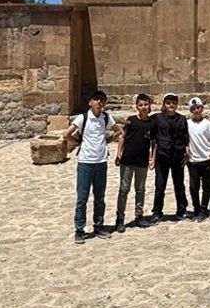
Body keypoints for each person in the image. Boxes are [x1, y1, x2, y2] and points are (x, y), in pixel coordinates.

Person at [65, 91, 117, 245]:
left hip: (101, 162)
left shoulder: (106, 118)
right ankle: (79, 229)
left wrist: (106, 142)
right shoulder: (83, 118)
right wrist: (77, 142)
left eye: (102, 100)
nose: (99, 102)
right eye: (96, 99)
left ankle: (99, 226)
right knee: (82, 198)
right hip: (85, 162)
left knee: (100, 197)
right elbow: (66, 134)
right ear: (90, 102)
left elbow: (119, 131)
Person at [115, 93, 155, 232]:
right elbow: (122, 137)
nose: (143, 107)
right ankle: (120, 219)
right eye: (140, 105)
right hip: (127, 160)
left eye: (145, 105)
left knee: (140, 190)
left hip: (142, 161)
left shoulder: (152, 123)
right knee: (124, 189)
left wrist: (153, 158)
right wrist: (119, 153)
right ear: (137, 107)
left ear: (149, 106)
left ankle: (139, 216)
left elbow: (153, 142)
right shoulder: (130, 120)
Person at [149, 93, 190, 224]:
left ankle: (182, 210)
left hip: (178, 156)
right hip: (162, 156)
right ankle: (157, 211)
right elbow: (153, 139)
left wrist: (187, 153)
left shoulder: (182, 119)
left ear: (177, 104)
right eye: (168, 102)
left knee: (179, 185)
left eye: (173, 102)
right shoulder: (157, 118)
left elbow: (186, 137)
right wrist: (152, 157)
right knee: (160, 186)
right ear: (164, 104)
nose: (171, 105)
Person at [184, 97, 210, 221]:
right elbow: (185, 138)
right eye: (193, 108)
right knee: (193, 186)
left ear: (202, 108)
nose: (196, 110)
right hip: (193, 161)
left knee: (207, 187)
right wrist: (186, 148)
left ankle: (203, 208)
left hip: (206, 159)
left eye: (198, 108)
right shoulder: (187, 123)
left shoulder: (208, 124)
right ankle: (196, 207)